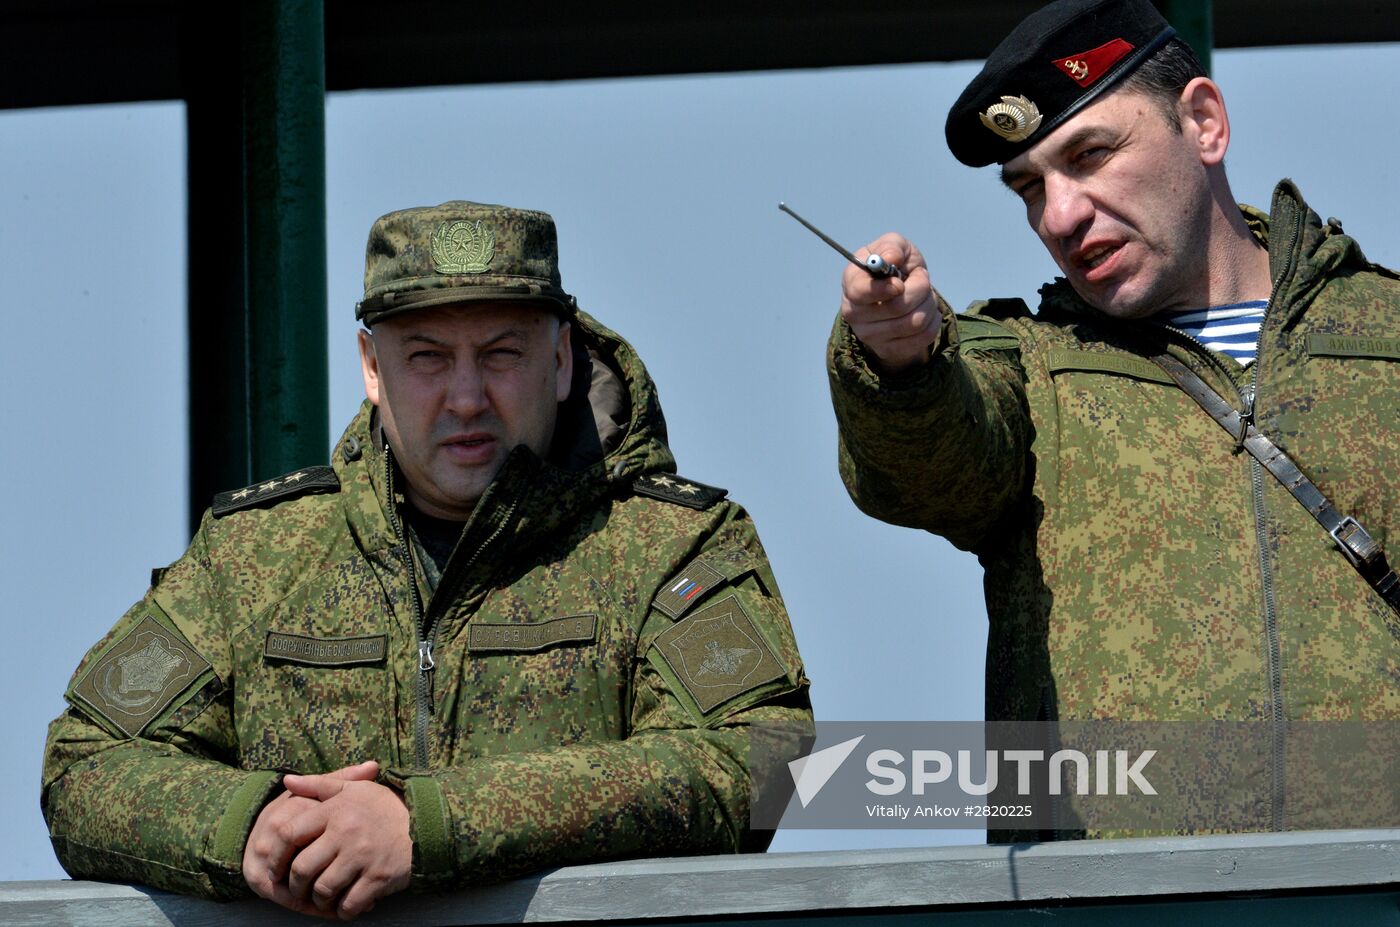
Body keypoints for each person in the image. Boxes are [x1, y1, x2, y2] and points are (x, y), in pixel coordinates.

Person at [44, 201, 811, 918]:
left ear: (563, 360)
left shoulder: (670, 545)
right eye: (428, 358)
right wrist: (252, 825)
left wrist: (432, 824)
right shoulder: (255, 556)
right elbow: (86, 762)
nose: (467, 395)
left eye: (502, 354)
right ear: (372, 369)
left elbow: (762, 760)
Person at [827, 0, 1400, 830]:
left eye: (1091, 155)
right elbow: (934, 462)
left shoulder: (1386, 341)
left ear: (1202, 122)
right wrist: (900, 356)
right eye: (1029, 187)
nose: (1058, 216)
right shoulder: (1027, 374)